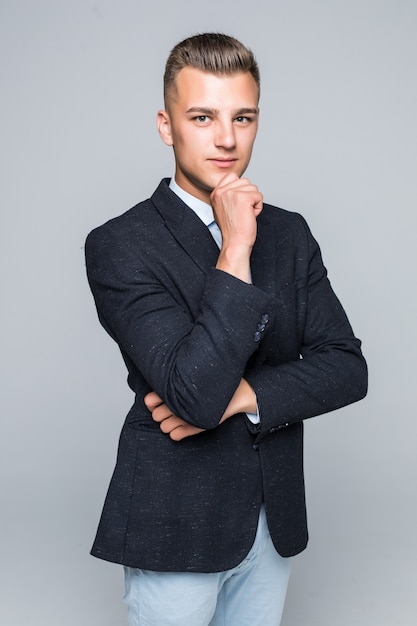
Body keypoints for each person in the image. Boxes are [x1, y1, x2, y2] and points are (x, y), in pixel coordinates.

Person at [85, 33, 367, 626]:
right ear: (167, 126)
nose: (227, 138)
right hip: (176, 520)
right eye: (202, 116)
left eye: (243, 116)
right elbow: (194, 392)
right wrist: (235, 245)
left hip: (272, 519)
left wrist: (249, 396)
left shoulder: (289, 234)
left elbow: (346, 366)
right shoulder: (119, 244)